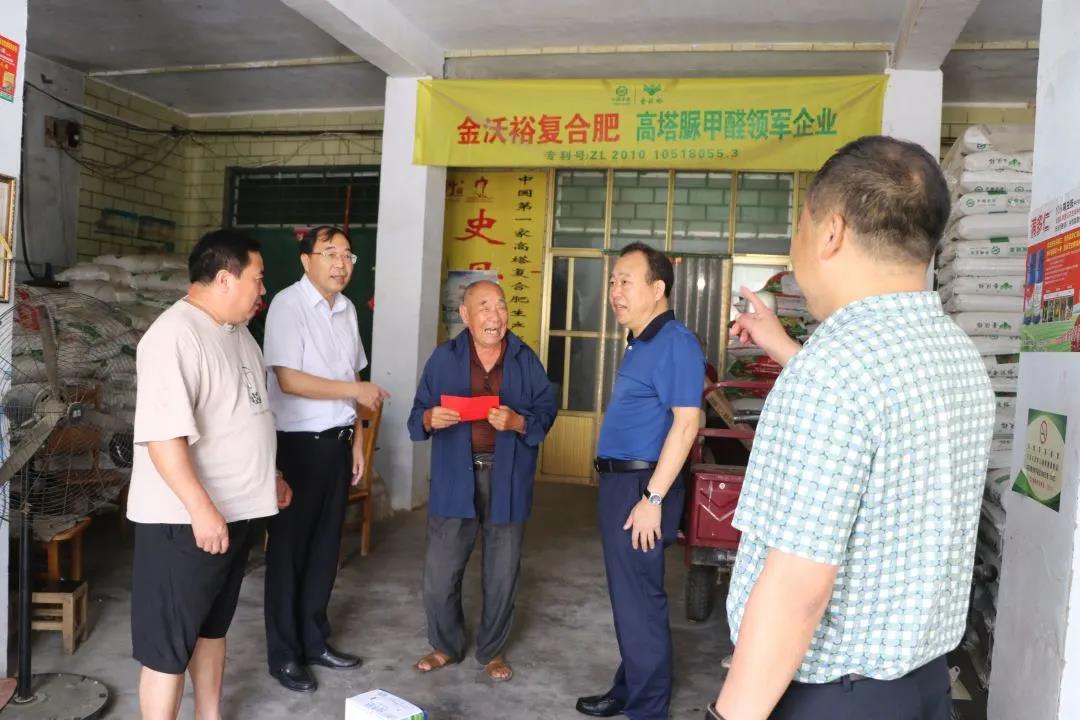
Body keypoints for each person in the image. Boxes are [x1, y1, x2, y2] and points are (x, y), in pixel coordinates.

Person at [709, 136, 996, 720]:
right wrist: (784, 347)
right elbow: (873, 417)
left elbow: (797, 590)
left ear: (831, 232)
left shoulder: (832, 373)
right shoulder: (957, 355)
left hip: (833, 699)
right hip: (924, 688)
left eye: (800, 224)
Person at [128, 228, 282, 720]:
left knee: (212, 629)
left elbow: (247, 414)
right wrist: (200, 509)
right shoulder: (174, 336)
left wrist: (271, 473)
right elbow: (163, 439)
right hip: (184, 524)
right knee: (168, 646)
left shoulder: (238, 334)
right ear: (225, 279)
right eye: (258, 278)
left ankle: (208, 716)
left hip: (232, 516)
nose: (262, 289)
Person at [576, 242, 705, 720]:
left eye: (625, 281)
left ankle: (648, 709)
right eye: (613, 281)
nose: (615, 291)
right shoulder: (643, 342)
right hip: (623, 486)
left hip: (642, 488)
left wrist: (652, 498)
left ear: (658, 288)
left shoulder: (675, 343)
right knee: (628, 597)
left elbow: (686, 425)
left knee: (640, 601)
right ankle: (629, 687)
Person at [407, 280, 556, 682]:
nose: (495, 315)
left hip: (507, 476)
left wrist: (518, 421)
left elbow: (546, 410)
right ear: (466, 315)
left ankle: (492, 651)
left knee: (502, 572)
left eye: (501, 306)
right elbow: (417, 414)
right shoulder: (444, 358)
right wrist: (429, 418)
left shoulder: (524, 358)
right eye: (484, 307)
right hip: (455, 476)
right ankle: (445, 645)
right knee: (440, 572)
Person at [262, 225, 388, 693]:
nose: (341, 263)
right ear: (305, 260)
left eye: (347, 255)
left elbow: (350, 374)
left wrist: (356, 439)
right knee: (289, 552)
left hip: (336, 443)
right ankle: (284, 655)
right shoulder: (287, 305)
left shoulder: (347, 309)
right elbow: (290, 380)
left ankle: (314, 641)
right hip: (296, 446)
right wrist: (354, 390)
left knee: (324, 550)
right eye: (330, 253)